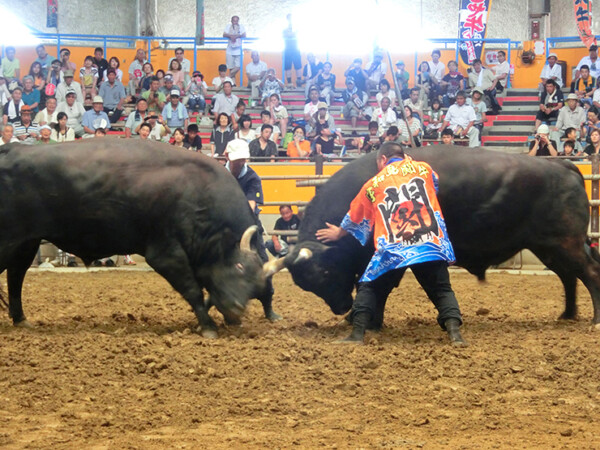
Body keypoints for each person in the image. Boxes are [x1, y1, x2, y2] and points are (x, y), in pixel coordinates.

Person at [315, 142, 466, 346]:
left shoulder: (374, 183)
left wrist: (338, 233)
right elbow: (435, 185)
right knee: (441, 289)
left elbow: (356, 214)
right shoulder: (424, 168)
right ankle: (455, 334)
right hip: (429, 241)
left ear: (383, 160)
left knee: (369, 285)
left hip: (395, 245)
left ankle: (357, 333)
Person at [224, 139, 279, 321]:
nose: (240, 163)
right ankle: (228, 307)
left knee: (263, 266)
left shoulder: (252, 178)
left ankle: (268, 308)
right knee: (223, 269)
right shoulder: (220, 176)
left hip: (249, 231)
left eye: (242, 159)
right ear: (227, 157)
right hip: (223, 231)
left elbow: (249, 208)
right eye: (236, 159)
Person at [223, 15, 246, 80]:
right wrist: (230, 36)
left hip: (239, 50)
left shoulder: (241, 27)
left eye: (236, 21)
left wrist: (236, 36)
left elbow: (244, 35)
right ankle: (233, 83)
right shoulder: (228, 26)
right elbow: (224, 34)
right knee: (231, 67)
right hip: (230, 50)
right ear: (231, 21)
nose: (235, 22)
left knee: (238, 66)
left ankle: (227, 78)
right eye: (234, 20)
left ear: (238, 21)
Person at [283, 13, 302, 87]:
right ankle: (289, 83)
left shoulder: (297, 27)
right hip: (287, 49)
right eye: (289, 18)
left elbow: (296, 34)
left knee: (298, 66)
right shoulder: (284, 29)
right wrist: (291, 34)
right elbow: (285, 35)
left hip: (296, 49)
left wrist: (292, 33)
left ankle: (299, 82)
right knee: (288, 67)